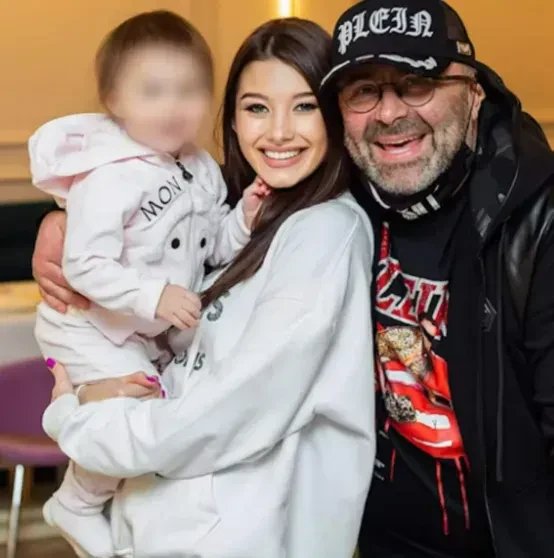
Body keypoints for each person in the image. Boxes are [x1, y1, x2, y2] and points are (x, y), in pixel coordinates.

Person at [36, 18, 376, 558]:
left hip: (230, 539)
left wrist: (72, 415)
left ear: (335, 113)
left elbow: (223, 418)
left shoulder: (324, 232)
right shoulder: (242, 206)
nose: (279, 131)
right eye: (257, 107)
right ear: (233, 118)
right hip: (157, 524)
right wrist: (60, 222)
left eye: (305, 106)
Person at [28, 11, 270, 558]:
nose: (173, 107)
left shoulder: (201, 168)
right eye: (153, 92)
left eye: (189, 90)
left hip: (144, 330)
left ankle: (116, 509)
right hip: (89, 326)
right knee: (130, 412)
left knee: (153, 412)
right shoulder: (109, 176)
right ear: (114, 100)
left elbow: (211, 250)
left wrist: (243, 219)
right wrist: (153, 296)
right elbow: (83, 264)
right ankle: (76, 501)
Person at [317, 0, 554, 556]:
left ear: (474, 93)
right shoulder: (332, 201)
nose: (388, 113)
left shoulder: (540, 219)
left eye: (417, 84)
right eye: (363, 91)